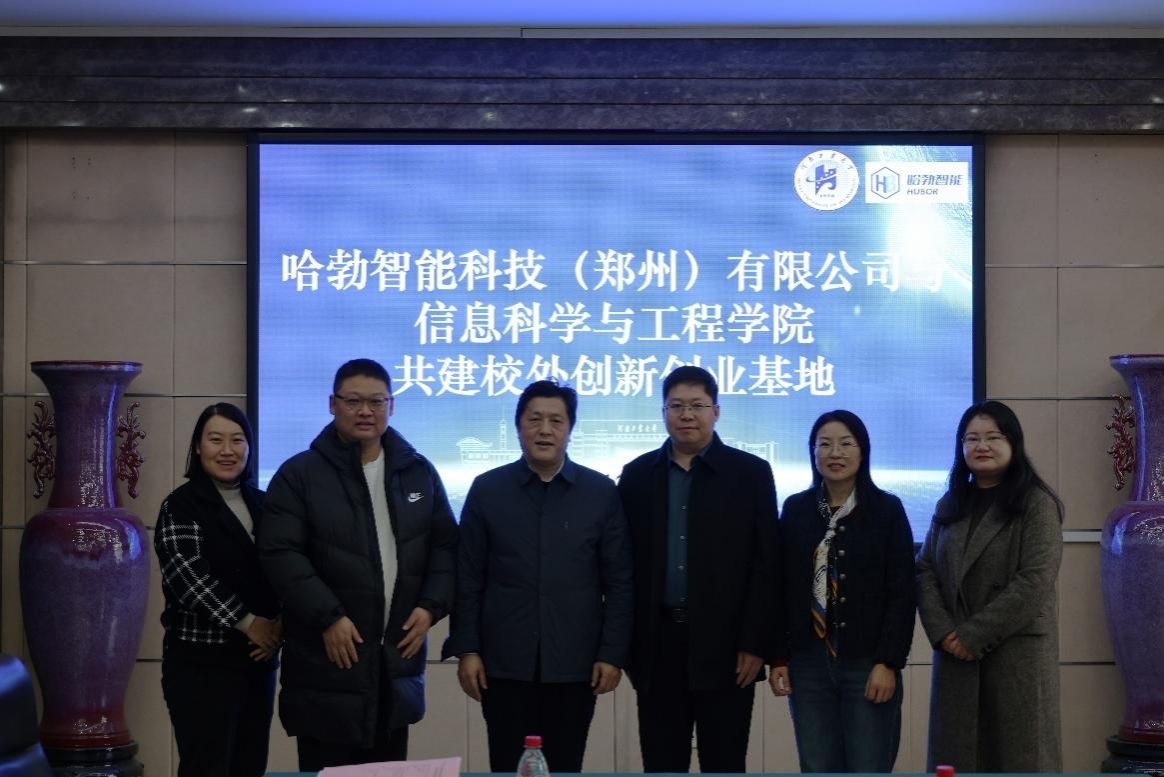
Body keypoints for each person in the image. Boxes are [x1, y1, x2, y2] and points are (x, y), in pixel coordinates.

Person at [259, 358, 458, 771]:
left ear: (391, 406)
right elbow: (281, 554)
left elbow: (446, 548)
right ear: (332, 404)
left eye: (376, 401)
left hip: (393, 669)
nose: (365, 411)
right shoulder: (299, 475)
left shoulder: (417, 472)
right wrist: (328, 617)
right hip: (326, 666)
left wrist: (430, 608)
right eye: (353, 401)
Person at [445, 380, 633, 773]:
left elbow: (619, 582)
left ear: (570, 428)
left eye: (556, 421)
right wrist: (468, 649)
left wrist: (611, 653)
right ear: (518, 426)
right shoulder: (488, 490)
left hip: (575, 664)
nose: (545, 430)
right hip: (502, 664)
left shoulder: (600, 492)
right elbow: (468, 577)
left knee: (565, 766)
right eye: (534, 419)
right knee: (507, 766)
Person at [617, 365, 779, 773]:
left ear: (716, 412)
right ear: (663, 412)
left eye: (697, 405)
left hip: (728, 649)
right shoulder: (637, 475)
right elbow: (622, 566)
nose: (686, 415)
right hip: (657, 647)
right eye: (676, 406)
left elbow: (766, 565)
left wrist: (755, 643)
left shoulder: (750, 474)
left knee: (724, 763)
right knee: (661, 763)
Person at [917, 400, 1064, 772]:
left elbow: (1034, 581)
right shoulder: (950, 503)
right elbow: (925, 570)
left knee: (1017, 759)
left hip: (1014, 657)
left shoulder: (1037, 503)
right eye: (971, 439)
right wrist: (945, 633)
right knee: (957, 761)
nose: (981, 446)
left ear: (1013, 443)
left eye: (993, 437)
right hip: (955, 656)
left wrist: (972, 635)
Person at [770, 410, 915, 773]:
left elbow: (902, 592)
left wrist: (889, 662)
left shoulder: (887, 510)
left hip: (868, 663)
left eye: (846, 443)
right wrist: (779, 657)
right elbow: (780, 587)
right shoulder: (796, 509)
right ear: (813, 453)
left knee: (868, 766)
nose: (835, 453)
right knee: (817, 766)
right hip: (808, 664)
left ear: (863, 451)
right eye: (825, 444)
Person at [155, 403, 281, 777]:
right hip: (200, 666)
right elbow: (189, 578)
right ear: (198, 447)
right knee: (206, 768)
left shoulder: (265, 503)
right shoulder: (180, 505)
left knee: (250, 766)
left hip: (257, 663)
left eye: (237, 440)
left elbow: (287, 568)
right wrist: (249, 623)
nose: (228, 450)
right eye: (215, 440)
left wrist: (279, 625)